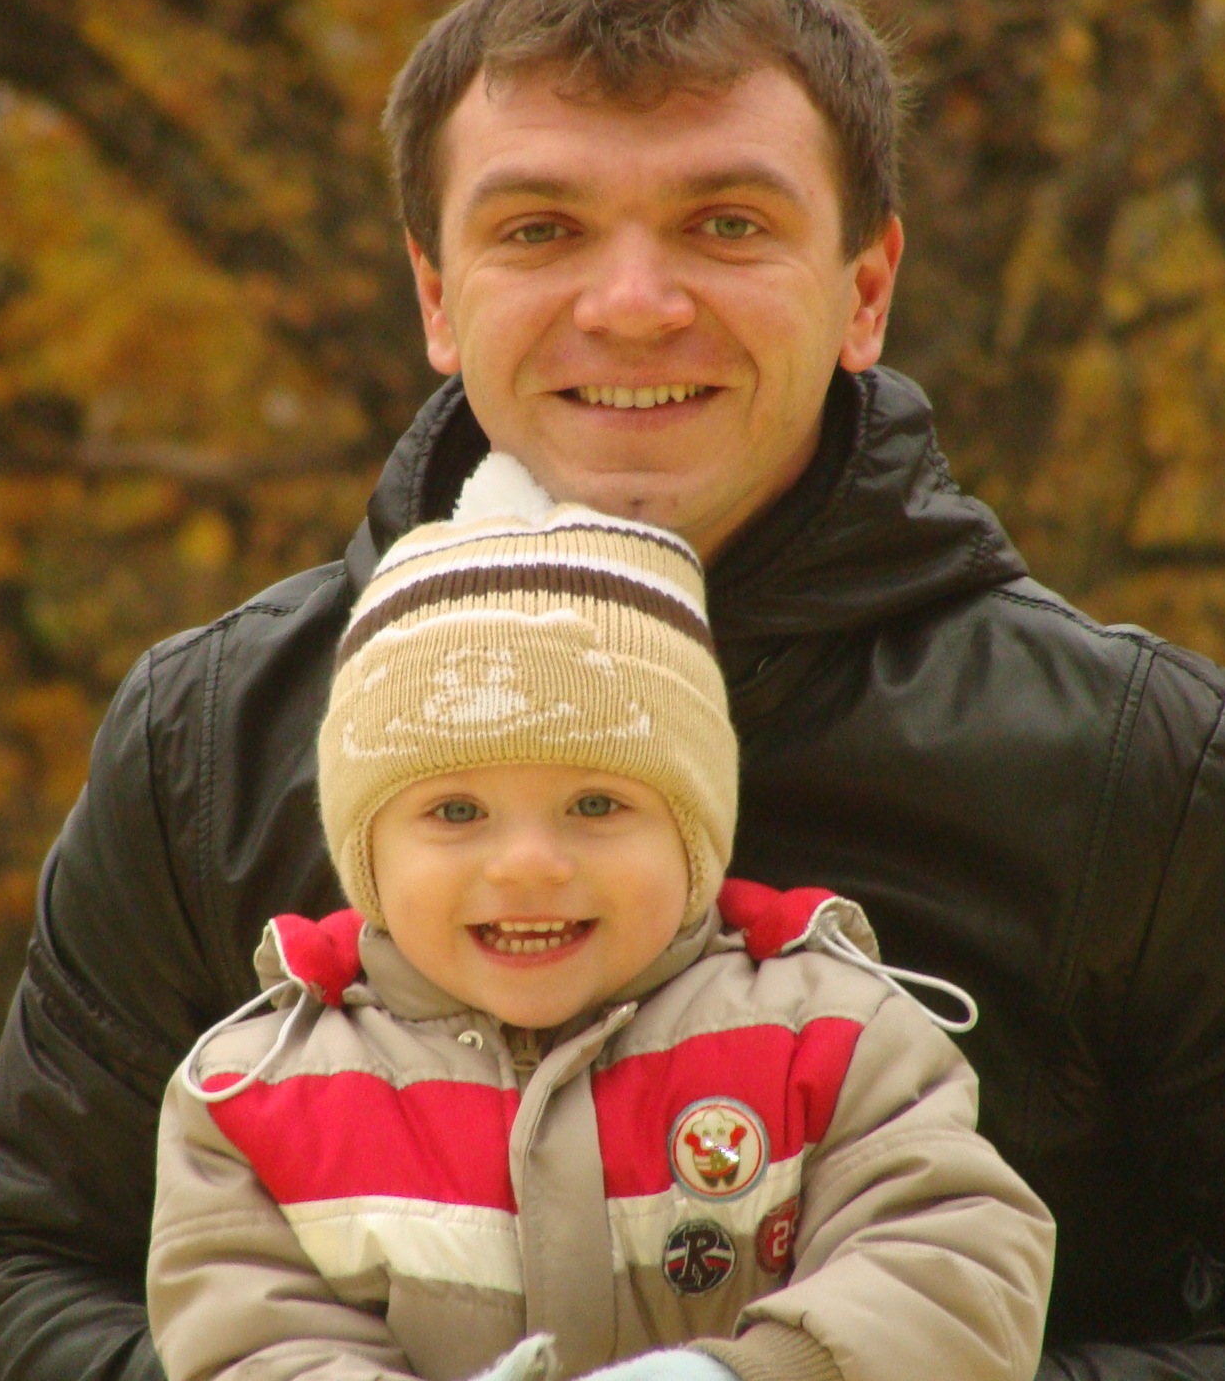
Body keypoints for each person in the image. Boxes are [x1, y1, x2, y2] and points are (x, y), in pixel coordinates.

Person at [0, 0, 1225, 1381]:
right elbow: (24, 1279)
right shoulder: (213, 744)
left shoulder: (1141, 769)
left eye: (725, 223)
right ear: (434, 291)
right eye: (540, 230)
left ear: (866, 287)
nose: (635, 304)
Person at [144, 455, 1055, 1381]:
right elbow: (251, 1348)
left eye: (595, 805)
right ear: (366, 854)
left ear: (694, 834)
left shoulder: (829, 1041)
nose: (528, 864)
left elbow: (953, 1264)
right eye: (456, 811)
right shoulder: (262, 1098)